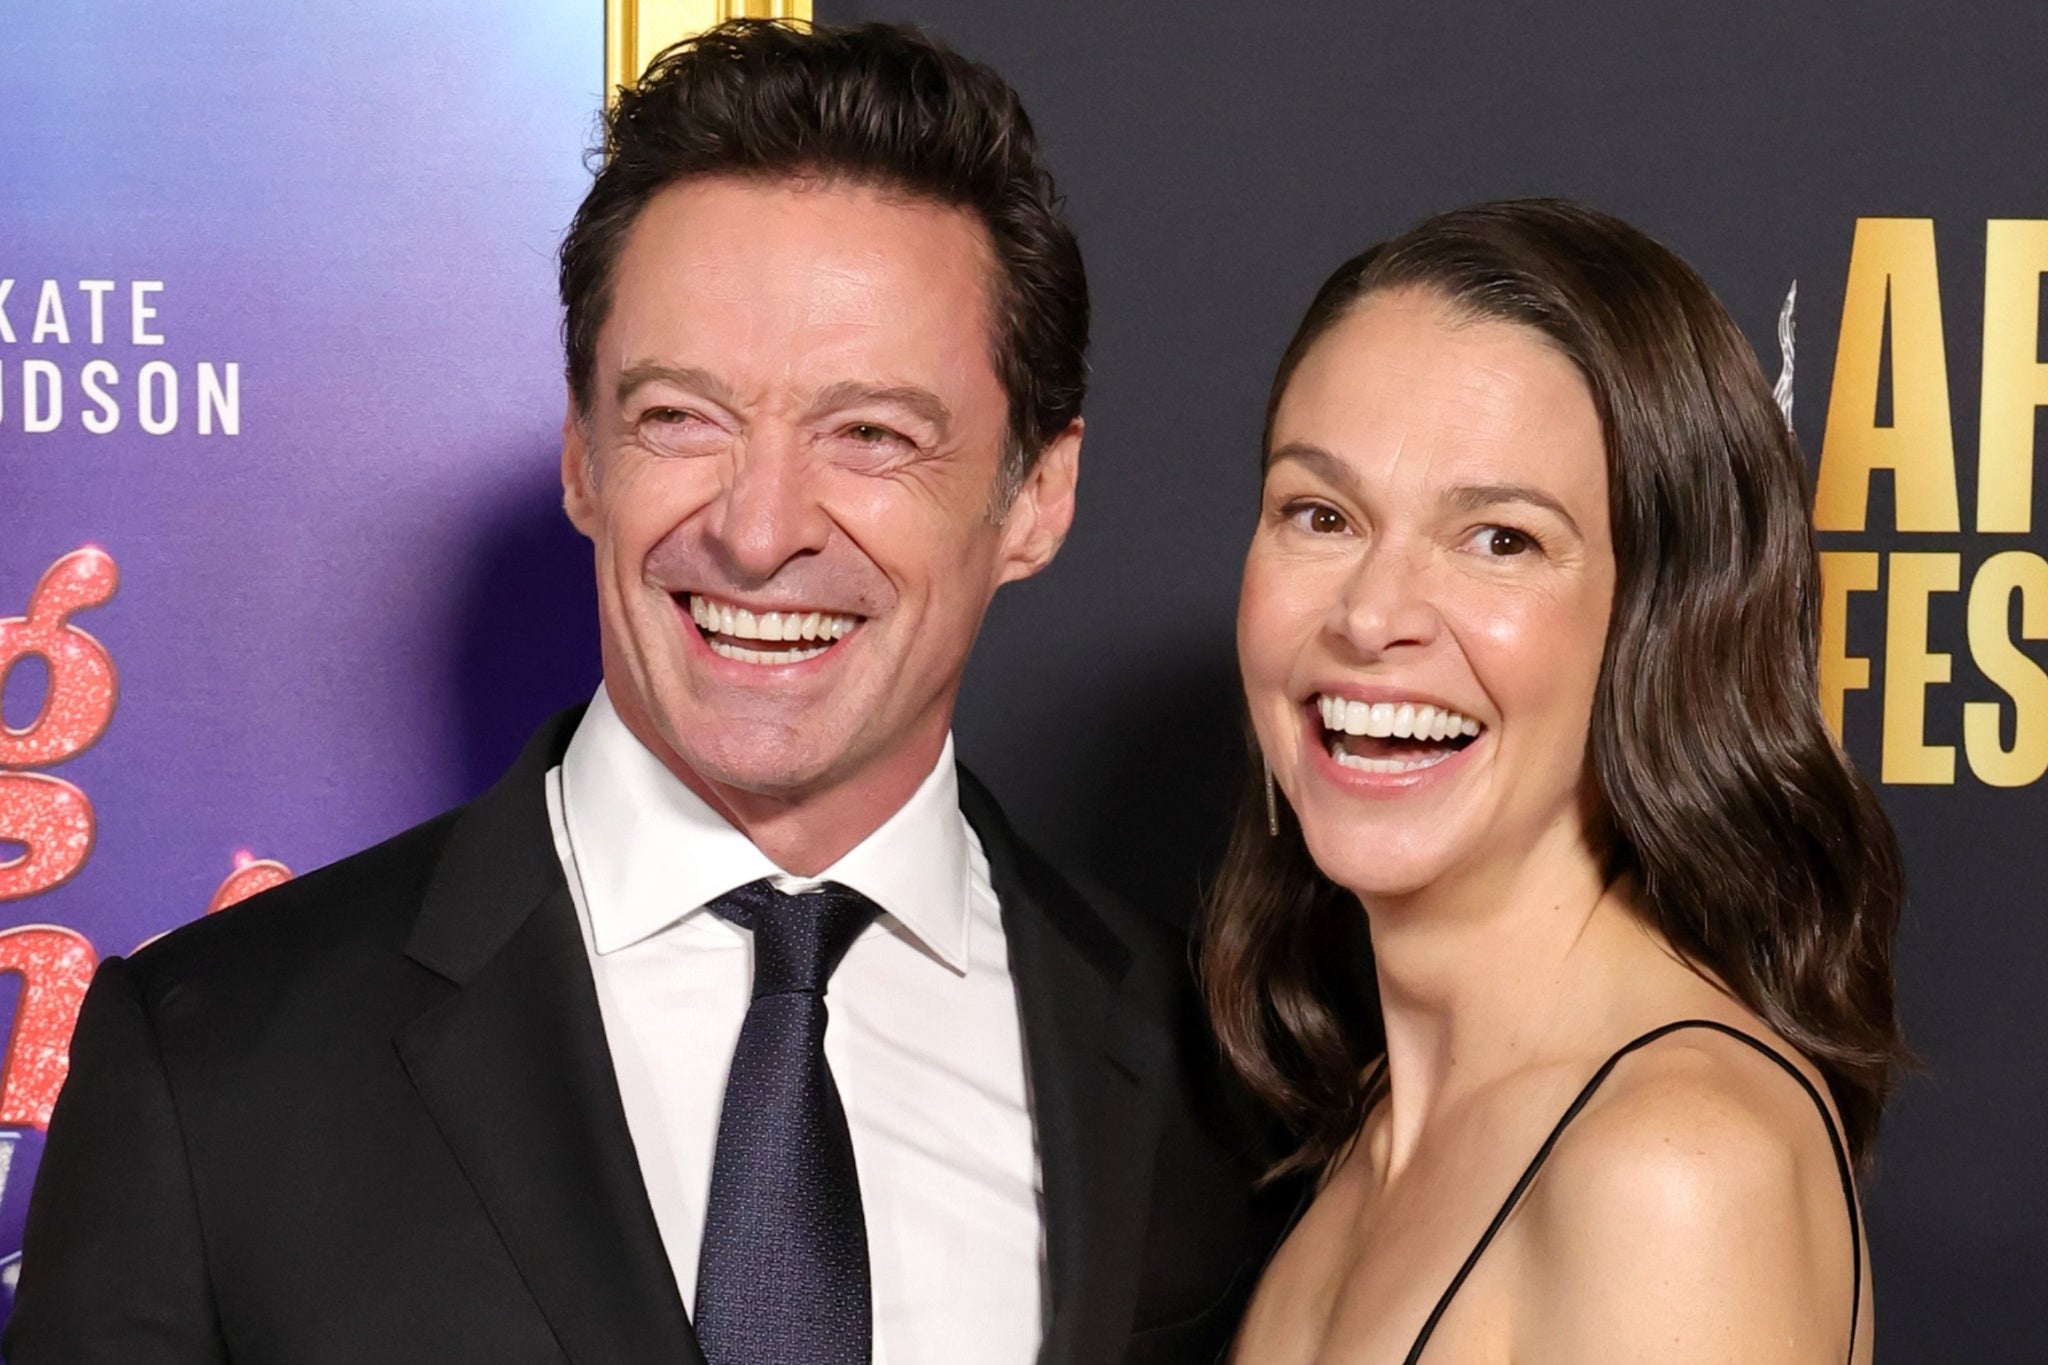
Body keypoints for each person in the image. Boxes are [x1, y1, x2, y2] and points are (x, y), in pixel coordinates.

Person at [5, 21, 1286, 1365]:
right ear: (583, 456)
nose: (757, 530)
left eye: (871, 434)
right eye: (681, 418)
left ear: (1036, 496)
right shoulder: (214, 1062)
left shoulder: (1214, 1080)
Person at [1208, 199, 1905, 1363]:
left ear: (1659, 621)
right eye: (1319, 515)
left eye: (1500, 539)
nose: (1370, 615)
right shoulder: (1387, 1120)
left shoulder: (1670, 1169)